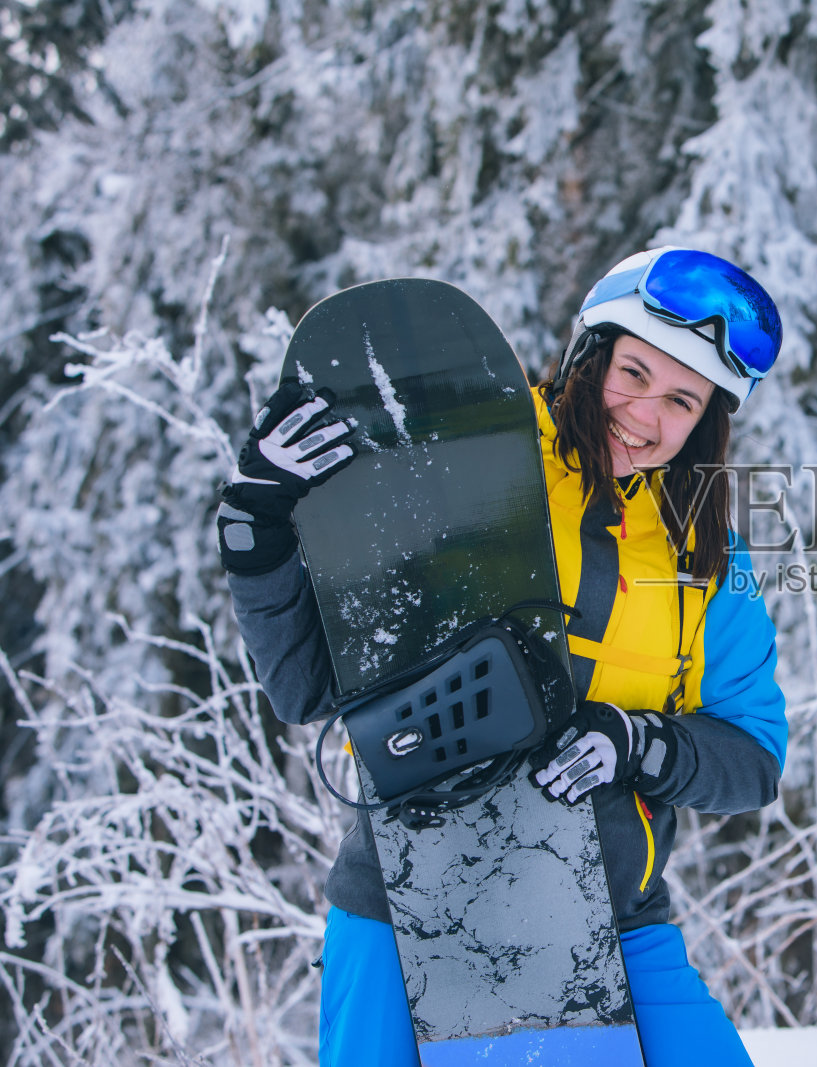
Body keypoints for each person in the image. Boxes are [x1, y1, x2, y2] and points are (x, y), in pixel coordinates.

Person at [216, 247, 787, 1067]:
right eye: (633, 372)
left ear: (707, 422)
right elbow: (305, 685)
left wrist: (638, 742)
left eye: (681, 399)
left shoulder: (706, 556)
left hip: (608, 918)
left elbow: (753, 759)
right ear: (589, 355)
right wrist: (257, 523)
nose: (645, 414)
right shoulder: (466, 455)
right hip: (409, 905)